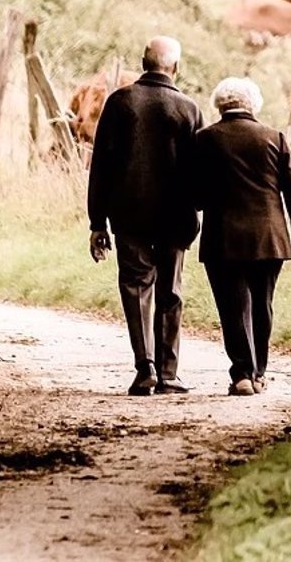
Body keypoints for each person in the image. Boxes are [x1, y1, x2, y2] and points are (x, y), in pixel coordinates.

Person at [87, 36, 204, 396]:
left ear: (143, 62)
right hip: (176, 216)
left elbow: (101, 166)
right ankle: (169, 373)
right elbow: (199, 171)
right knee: (170, 291)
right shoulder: (188, 108)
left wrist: (97, 222)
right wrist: (197, 209)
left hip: (129, 214)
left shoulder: (120, 102)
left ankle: (145, 368)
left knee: (136, 288)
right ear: (176, 68)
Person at [193, 77, 291, 396]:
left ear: (219, 104)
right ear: (253, 104)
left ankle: (242, 374)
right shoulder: (275, 138)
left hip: (223, 238)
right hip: (270, 237)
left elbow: (196, 195)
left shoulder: (205, 139)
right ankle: (259, 372)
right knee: (263, 304)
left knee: (233, 306)